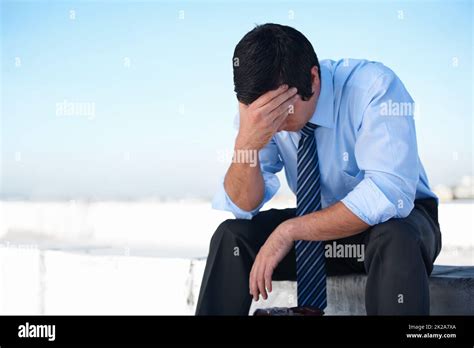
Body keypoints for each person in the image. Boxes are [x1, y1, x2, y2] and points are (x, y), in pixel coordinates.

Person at [195, 23, 442, 316]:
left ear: (313, 79)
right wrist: (246, 142)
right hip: (319, 230)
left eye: (280, 110)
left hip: (396, 224)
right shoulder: (260, 116)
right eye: (263, 114)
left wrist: (291, 230)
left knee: (394, 237)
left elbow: (388, 194)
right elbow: (243, 204)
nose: (272, 124)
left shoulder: (373, 87)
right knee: (231, 236)